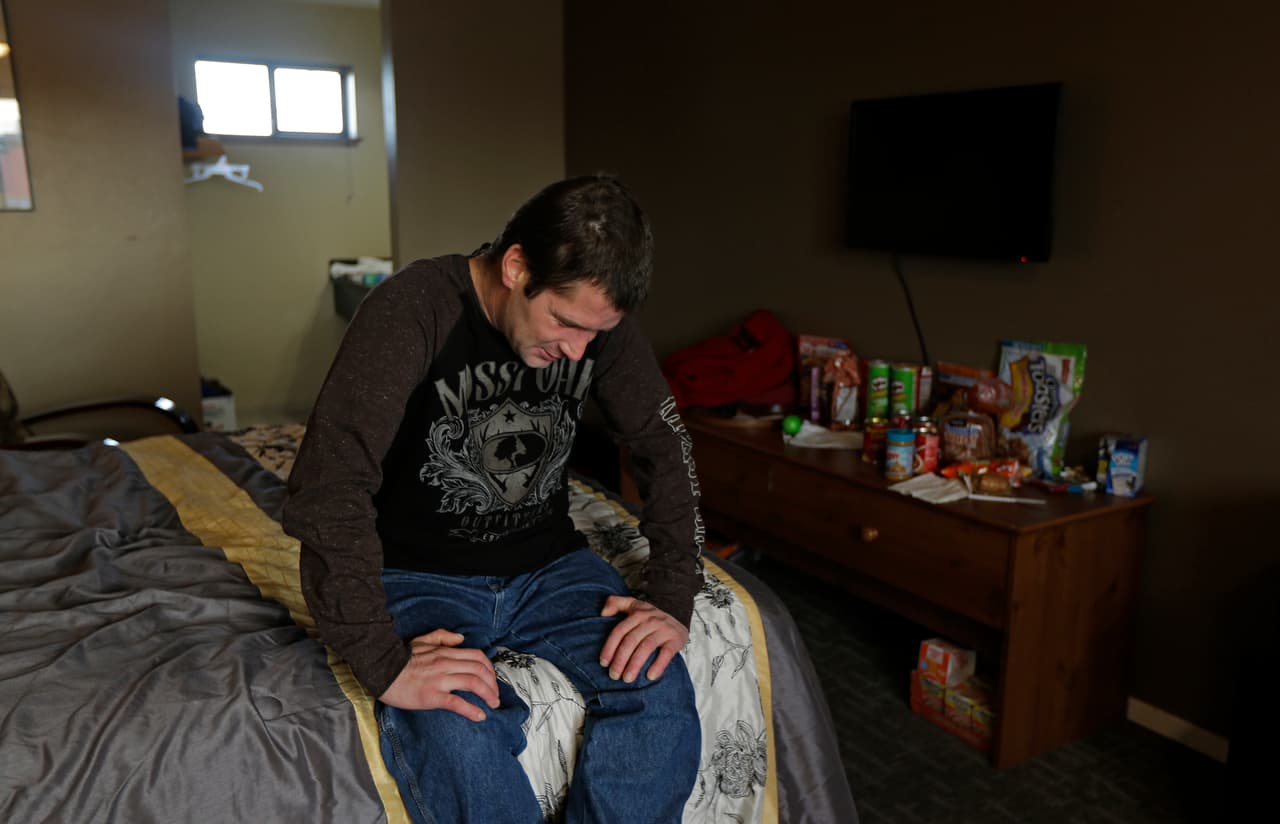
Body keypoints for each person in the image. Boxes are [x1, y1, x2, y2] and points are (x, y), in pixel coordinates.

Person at [283, 175, 705, 823]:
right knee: (454, 728)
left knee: (658, 685)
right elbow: (329, 485)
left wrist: (673, 595)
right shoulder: (414, 308)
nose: (577, 352)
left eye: (594, 335)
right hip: (417, 573)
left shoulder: (593, 322)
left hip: (552, 567)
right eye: (564, 323)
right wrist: (383, 663)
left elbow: (663, 446)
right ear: (516, 268)